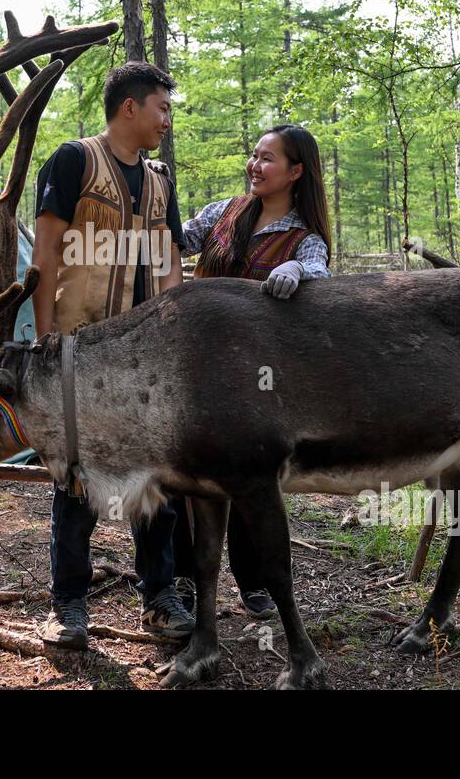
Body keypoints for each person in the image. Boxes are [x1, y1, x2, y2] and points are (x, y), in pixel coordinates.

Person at [30, 61, 195, 650]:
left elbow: (171, 257)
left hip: (145, 359)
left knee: (155, 479)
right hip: (78, 350)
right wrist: (46, 341)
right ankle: (68, 605)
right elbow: (45, 253)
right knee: (75, 478)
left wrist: (176, 334)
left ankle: (160, 597)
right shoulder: (74, 161)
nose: (166, 121)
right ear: (130, 106)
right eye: (162, 108)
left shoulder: (159, 180)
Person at [176, 123, 333, 618]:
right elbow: (177, 240)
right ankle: (180, 581)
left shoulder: (303, 240)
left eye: (268, 159)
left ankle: (256, 582)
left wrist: (298, 272)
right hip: (195, 368)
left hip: (254, 381)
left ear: (295, 172)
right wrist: (156, 191)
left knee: (248, 477)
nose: (255, 165)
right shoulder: (224, 212)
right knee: (185, 478)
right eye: (254, 155)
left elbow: (321, 273)